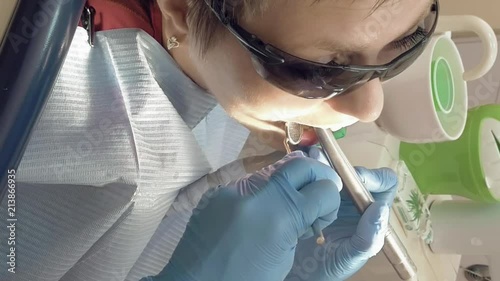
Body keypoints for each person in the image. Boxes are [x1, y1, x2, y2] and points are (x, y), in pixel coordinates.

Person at [0, 0, 438, 280]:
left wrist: (213, 195)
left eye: (408, 41)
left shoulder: (213, 62)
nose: (370, 107)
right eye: (323, 68)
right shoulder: (82, 128)